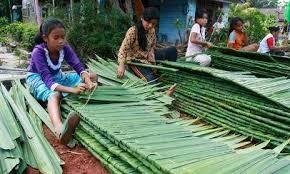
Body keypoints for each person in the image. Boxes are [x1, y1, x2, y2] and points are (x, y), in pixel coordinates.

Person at [26, 18, 97, 145]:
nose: (61, 41)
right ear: (45, 38)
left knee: (93, 77)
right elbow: (48, 81)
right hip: (37, 78)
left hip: (58, 76)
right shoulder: (38, 52)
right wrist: (73, 90)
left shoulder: (65, 48)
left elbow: (78, 66)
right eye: (56, 37)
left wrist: (88, 81)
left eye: (63, 37)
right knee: (54, 95)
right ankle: (59, 130)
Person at [117, 7, 176, 95]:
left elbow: (152, 45)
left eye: (153, 24)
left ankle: (172, 76)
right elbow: (123, 49)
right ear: (142, 18)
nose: (150, 26)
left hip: (147, 57)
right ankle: (161, 95)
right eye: (148, 22)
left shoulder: (152, 30)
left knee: (172, 50)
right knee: (150, 77)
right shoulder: (133, 31)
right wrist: (121, 65)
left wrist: (151, 53)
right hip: (135, 61)